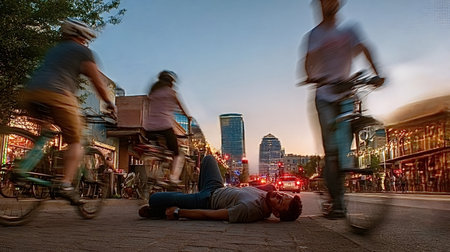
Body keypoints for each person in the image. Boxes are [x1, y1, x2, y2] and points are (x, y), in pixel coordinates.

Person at [301, 0, 384, 218]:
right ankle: (337, 202)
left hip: (347, 92)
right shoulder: (315, 36)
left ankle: (342, 186)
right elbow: (308, 61)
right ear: (319, 6)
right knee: (332, 151)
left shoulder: (349, 31)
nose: (329, 4)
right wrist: (312, 75)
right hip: (325, 96)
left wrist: (377, 73)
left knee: (343, 150)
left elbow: (365, 48)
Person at [22, 18, 116, 204]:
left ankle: (22, 168)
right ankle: (65, 184)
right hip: (58, 95)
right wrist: (108, 103)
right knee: (76, 141)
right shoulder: (83, 51)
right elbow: (98, 82)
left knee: (47, 131)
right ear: (81, 36)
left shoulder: (54, 50)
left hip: (31, 93)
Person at [138, 155, 302, 223]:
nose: (278, 195)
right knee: (209, 158)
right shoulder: (269, 192)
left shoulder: (248, 210)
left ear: (277, 213)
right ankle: (186, 198)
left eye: (280, 201)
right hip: (215, 186)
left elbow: (211, 215)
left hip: (206, 200)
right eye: (283, 194)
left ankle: (159, 212)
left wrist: (178, 212)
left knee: (155, 199)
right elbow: (269, 187)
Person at [143, 70, 190, 184]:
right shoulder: (171, 93)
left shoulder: (152, 93)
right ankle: (173, 178)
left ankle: (157, 171)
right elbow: (181, 108)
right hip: (164, 126)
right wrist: (188, 117)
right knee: (177, 153)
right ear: (171, 82)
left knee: (161, 149)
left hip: (148, 127)